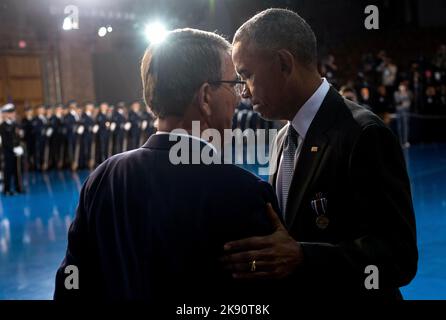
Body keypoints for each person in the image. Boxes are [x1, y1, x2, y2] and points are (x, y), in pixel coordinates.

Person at [54, 28, 279, 302]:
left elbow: (73, 277)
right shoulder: (244, 192)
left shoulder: (102, 179)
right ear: (206, 96)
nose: (240, 95)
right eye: (233, 84)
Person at [223, 8, 418, 299]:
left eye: (247, 75)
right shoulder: (281, 140)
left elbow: (399, 258)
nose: (244, 93)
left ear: (283, 63)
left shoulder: (363, 133)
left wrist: (305, 257)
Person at [0, 104, 24, 195]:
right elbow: (5, 141)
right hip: (8, 152)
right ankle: (7, 189)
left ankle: (18, 188)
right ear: (6, 114)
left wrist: (19, 145)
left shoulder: (15, 124)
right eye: (11, 113)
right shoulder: (2, 126)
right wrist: (13, 148)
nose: (13, 114)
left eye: (13, 112)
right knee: (8, 171)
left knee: (17, 170)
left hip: (16, 151)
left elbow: (17, 137)